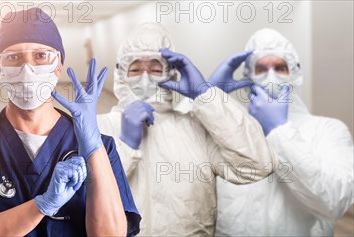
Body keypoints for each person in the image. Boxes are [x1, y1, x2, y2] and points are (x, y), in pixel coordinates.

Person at [0, 8, 140, 236]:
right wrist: (41, 205)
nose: (27, 69)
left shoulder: (101, 147)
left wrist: (93, 149)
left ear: (58, 65)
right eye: (13, 57)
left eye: (41, 56)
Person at [96, 23, 277, 236]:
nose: (145, 78)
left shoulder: (196, 128)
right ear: (121, 73)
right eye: (135, 69)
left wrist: (206, 97)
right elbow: (80, 198)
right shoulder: (100, 128)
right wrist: (124, 146)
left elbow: (257, 165)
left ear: (171, 74)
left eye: (155, 69)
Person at [212, 28, 354, 236]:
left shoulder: (328, 130)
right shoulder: (231, 134)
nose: (271, 76)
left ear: (295, 73)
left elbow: (334, 202)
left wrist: (279, 131)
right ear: (247, 77)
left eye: (280, 67)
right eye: (261, 68)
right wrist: (207, 100)